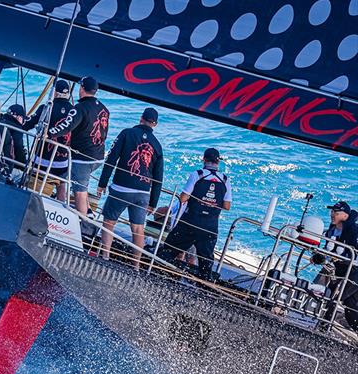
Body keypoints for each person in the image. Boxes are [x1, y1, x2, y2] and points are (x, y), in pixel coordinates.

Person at [97, 107, 164, 269]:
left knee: (109, 222)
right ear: (155, 124)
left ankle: (105, 256)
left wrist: (102, 183)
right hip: (142, 193)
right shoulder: (157, 146)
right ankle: (136, 266)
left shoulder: (126, 133)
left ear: (141, 118)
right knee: (137, 229)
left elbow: (111, 159)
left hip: (121, 188)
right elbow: (158, 178)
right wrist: (153, 203)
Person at [156, 148, 232, 280]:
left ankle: (158, 274)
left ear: (204, 159)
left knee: (168, 250)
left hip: (191, 222)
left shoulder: (198, 174)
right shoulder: (225, 180)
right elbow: (227, 206)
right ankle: (202, 286)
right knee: (205, 261)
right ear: (218, 162)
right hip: (210, 226)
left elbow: (183, 198)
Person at [47, 76, 110, 215]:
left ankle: (81, 224)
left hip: (82, 158)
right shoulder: (104, 109)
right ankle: (87, 211)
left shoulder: (80, 108)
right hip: (98, 157)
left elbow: (66, 126)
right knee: (68, 177)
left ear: (82, 88)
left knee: (79, 192)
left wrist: (49, 133)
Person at [22, 80, 74, 197]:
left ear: (54, 92)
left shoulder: (46, 108)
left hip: (42, 159)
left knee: (33, 180)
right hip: (62, 161)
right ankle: (61, 207)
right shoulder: (74, 111)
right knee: (61, 185)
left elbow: (27, 125)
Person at [324, 201, 358, 330]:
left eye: (336, 213)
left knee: (337, 297)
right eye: (332, 212)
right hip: (339, 270)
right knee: (351, 303)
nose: (333, 215)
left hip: (354, 272)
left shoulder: (354, 231)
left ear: (345, 216)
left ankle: (324, 326)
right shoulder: (331, 231)